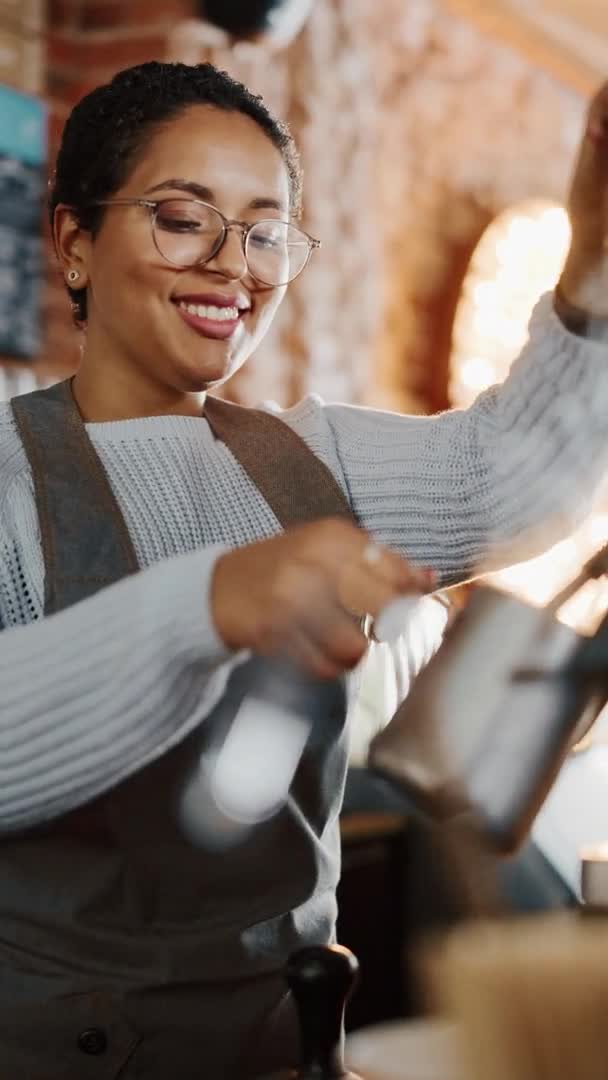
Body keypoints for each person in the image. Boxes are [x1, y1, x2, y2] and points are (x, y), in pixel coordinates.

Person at [0, 60, 606, 1078]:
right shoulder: (10, 474)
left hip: (286, 1042)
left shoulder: (314, 459)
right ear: (72, 242)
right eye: (182, 218)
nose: (234, 265)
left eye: (266, 229)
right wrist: (211, 603)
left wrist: (593, 264)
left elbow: (520, 477)